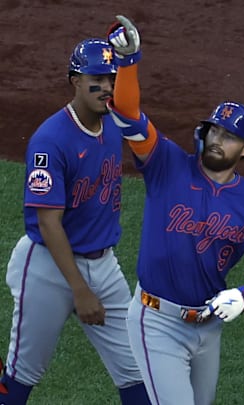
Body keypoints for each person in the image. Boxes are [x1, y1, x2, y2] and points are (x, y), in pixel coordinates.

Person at [105, 15, 244, 405]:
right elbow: (127, 114)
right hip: (156, 321)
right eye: (215, 131)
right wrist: (128, 61)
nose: (217, 140)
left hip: (208, 326)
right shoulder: (166, 163)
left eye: (230, 137)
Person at [0, 38, 150, 404]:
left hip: (104, 265)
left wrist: (132, 59)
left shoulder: (113, 124)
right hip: (48, 267)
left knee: (137, 373)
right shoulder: (50, 140)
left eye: (112, 79)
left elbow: (133, 108)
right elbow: (49, 223)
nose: (107, 87)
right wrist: (81, 290)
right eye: (96, 79)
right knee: (21, 376)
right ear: (75, 81)